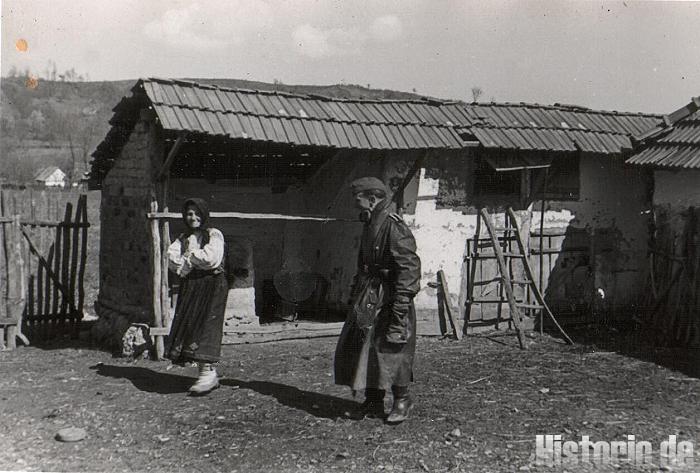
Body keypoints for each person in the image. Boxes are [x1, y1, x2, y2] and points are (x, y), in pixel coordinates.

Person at [334, 177, 421, 423]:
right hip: (370, 295)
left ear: (372, 199)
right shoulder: (370, 222)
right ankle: (372, 400)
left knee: (393, 347)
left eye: (358, 200)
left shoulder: (394, 226)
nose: (356, 205)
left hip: (391, 297)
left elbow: (409, 268)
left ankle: (402, 400)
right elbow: (364, 263)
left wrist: (401, 305)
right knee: (366, 347)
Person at [166, 198, 228, 395]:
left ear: (204, 214)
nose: (193, 217)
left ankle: (207, 375)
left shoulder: (214, 234)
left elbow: (212, 259)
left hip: (212, 284)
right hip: (192, 285)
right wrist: (188, 260)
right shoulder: (182, 237)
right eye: (189, 214)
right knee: (192, 325)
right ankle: (206, 374)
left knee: (207, 326)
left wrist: (190, 256)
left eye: (197, 213)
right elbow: (173, 261)